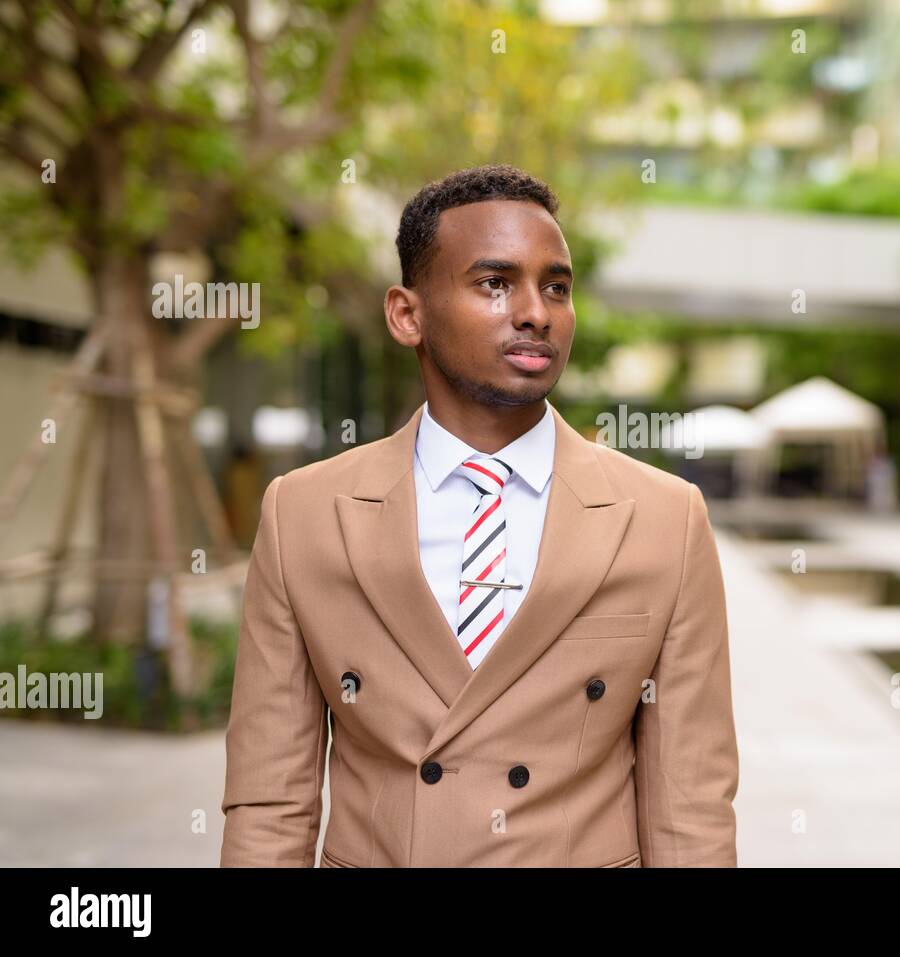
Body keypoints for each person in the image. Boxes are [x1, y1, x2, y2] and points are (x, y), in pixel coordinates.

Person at [219, 164, 740, 867]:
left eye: (556, 286)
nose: (536, 311)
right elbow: (269, 801)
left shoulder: (665, 518)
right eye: (495, 283)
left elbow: (692, 805)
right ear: (408, 314)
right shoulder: (303, 513)